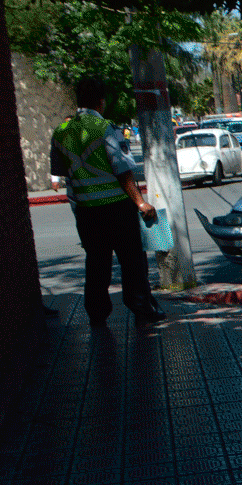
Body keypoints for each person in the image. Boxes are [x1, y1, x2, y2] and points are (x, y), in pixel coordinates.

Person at [50, 78, 167, 327]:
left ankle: (97, 313)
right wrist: (140, 203)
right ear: (101, 102)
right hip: (117, 209)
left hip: (87, 213)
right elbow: (122, 170)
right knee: (132, 261)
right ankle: (141, 307)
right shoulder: (105, 128)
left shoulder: (61, 131)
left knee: (96, 263)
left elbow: (61, 171)